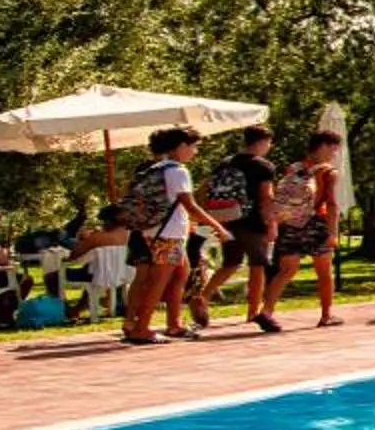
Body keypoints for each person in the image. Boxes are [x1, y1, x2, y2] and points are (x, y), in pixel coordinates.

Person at [126, 127, 234, 344]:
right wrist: (218, 227)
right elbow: (189, 205)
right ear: (181, 146)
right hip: (169, 234)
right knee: (160, 280)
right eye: (193, 147)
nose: (194, 152)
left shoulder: (156, 169)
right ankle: (141, 328)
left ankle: (174, 324)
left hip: (158, 230)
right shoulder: (178, 171)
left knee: (179, 275)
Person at [261, 129, 345, 329]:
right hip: (316, 223)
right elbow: (331, 204)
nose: (334, 155)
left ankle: (266, 311)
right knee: (324, 271)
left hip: (290, 223)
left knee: (286, 271)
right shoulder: (328, 172)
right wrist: (332, 232)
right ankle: (326, 315)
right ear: (324, 146)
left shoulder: (294, 168)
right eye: (333, 150)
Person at [200, 126, 280, 329]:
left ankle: (203, 296)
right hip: (252, 220)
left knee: (231, 262)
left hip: (226, 219)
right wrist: (272, 223)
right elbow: (266, 197)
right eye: (268, 143)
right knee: (258, 264)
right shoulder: (263, 166)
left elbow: (205, 190)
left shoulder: (225, 163)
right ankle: (253, 311)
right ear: (262, 142)